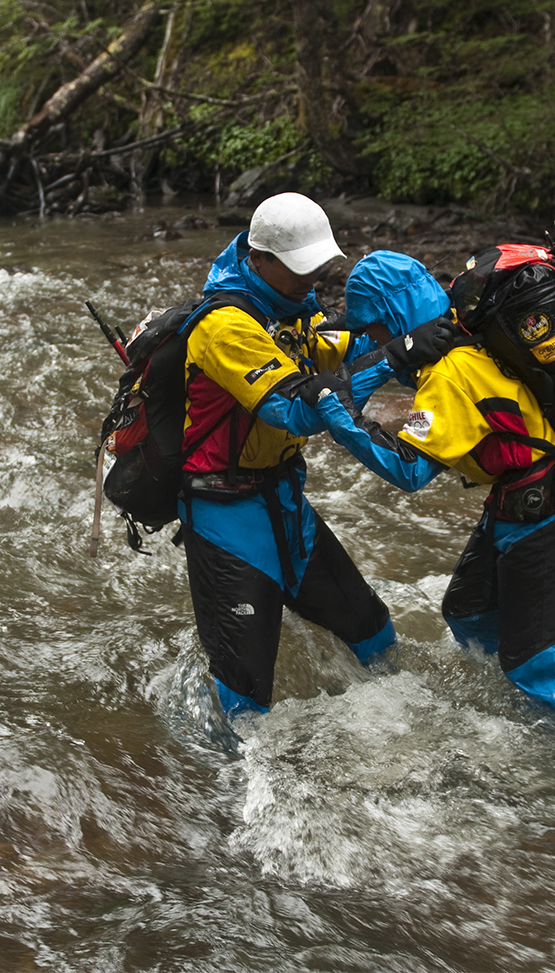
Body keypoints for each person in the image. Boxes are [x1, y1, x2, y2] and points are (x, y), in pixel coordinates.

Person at [179, 193, 458, 718]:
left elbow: (349, 352)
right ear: (258, 260)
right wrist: (397, 353)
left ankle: (412, 719)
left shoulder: (296, 315)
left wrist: (411, 338)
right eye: (299, 269)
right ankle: (223, 786)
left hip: (285, 502)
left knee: (372, 628)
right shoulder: (224, 328)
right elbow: (297, 410)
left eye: (316, 267)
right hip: (224, 515)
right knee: (244, 692)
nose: (312, 280)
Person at [309, 251, 555, 714]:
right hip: (525, 502)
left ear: (395, 319)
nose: (367, 339)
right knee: (469, 612)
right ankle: (503, 709)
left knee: (534, 664)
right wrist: (390, 356)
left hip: (550, 512)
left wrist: (341, 417)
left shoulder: (448, 374)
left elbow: (411, 470)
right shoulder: (461, 337)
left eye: (372, 329)